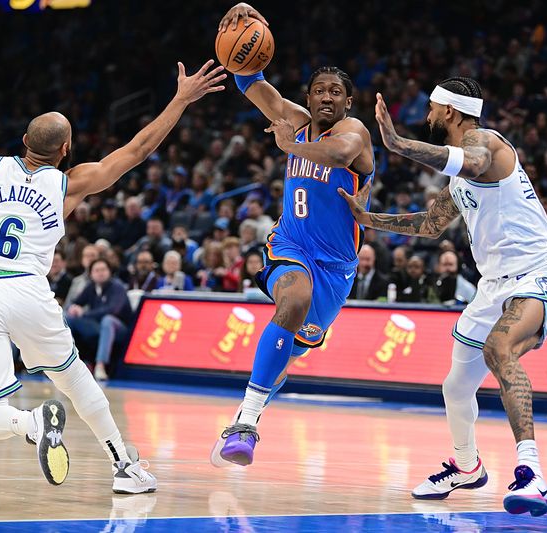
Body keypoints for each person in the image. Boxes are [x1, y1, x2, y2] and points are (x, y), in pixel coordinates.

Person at [0, 60, 224, 493]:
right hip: (28, 290)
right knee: (75, 377)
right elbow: (138, 150)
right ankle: (124, 467)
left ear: (23, 141)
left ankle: (31, 422)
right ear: (66, 151)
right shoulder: (70, 183)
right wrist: (180, 99)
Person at [340, 77, 547, 516]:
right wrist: (367, 217)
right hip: (493, 286)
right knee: (456, 386)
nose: (427, 116)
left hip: (537, 274)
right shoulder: (463, 179)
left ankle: (533, 475)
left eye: (431, 108)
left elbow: (473, 159)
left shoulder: (487, 143)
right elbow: (429, 224)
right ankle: (467, 467)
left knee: (499, 349)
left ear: (449, 111)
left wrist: (398, 143)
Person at [211, 3, 375, 471]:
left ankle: (247, 412)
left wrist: (290, 146)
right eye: (319, 90)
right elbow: (250, 83)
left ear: (348, 102)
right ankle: (246, 421)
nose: (327, 96)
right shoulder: (297, 120)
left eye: (336, 92)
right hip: (291, 245)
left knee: (292, 349)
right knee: (293, 299)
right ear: (309, 97)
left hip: (337, 267)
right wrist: (240, 38)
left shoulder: (355, 132)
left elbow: (338, 155)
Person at [66, 258, 132, 381]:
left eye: (103, 270)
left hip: (119, 329)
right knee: (68, 318)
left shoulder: (117, 287)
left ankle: (100, 366)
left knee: (107, 319)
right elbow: (74, 302)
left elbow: (113, 310)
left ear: (109, 272)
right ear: (91, 274)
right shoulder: (91, 287)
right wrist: (73, 308)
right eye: (97, 270)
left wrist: (84, 313)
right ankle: (67, 364)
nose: (100, 273)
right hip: (97, 327)